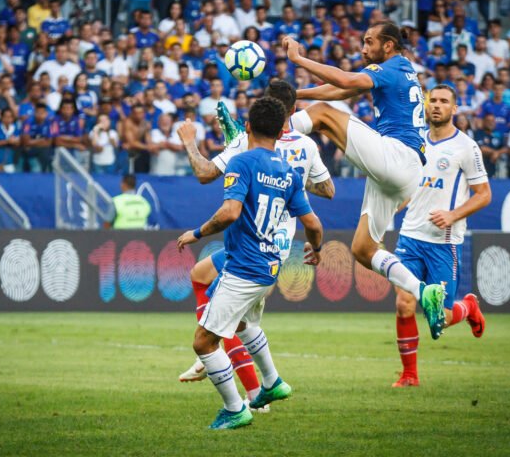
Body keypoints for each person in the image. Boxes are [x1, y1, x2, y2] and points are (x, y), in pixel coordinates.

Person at [281, 21, 447, 338]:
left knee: (323, 115)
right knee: (363, 249)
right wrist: (295, 93)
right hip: (404, 172)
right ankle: (424, 292)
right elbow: (343, 89)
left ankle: (269, 138)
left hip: (398, 156)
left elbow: (343, 81)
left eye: (369, 42)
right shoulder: (400, 70)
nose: (363, 48)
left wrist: (299, 60)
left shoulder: (393, 66)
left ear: (388, 45)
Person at [175, 80, 334, 404]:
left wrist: (190, 143)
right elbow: (328, 190)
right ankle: (269, 381)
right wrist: (293, 184)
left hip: (250, 245)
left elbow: (206, 174)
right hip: (277, 246)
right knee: (211, 284)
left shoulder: (242, 148)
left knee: (217, 326)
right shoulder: (304, 148)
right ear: (291, 112)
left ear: (250, 122)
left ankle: (241, 394)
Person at [392, 85, 491, 387]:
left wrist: (452, 214)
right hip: (410, 236)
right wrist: (397, 204)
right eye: (432, 100)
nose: (437, 105)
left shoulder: (466, 147)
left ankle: (468, 307)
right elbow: (412, 185)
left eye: (443, 101)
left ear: (454, 108)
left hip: (442, 242)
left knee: (441, 318)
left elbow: (484, 194)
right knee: (404, 304)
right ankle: (410, 375)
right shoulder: (414, 142)